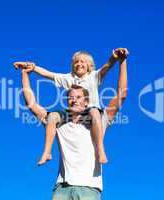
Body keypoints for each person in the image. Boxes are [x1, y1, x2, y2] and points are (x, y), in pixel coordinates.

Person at [19, 51, 128, 200]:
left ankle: (101, 150)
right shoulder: (59, 124)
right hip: (62, 188)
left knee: (95, 113)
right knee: (52, 116)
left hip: (88, 188)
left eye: (78, 97)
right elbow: (31, 104)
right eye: (70, 98)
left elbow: (121, 95)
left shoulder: (98, 122)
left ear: (86, 102)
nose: (74, 100)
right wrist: (25, 74)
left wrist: (122, 62)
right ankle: (46, 152)